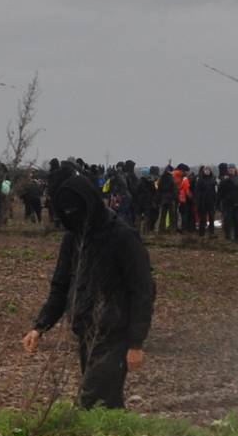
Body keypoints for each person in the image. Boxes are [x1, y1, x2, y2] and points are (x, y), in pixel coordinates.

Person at [21, 171, 155, 411]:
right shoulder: (72, 238)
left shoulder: (122, 237)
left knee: (92, 401)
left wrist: (136, 342)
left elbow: (143, 290)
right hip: (85, 331)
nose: (74, 218)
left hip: (115, 334)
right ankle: (114, 433)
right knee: (106, 406)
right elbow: (60, 286)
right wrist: (39, 326)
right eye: (67, 214)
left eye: (77, 212)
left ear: (90, 204)